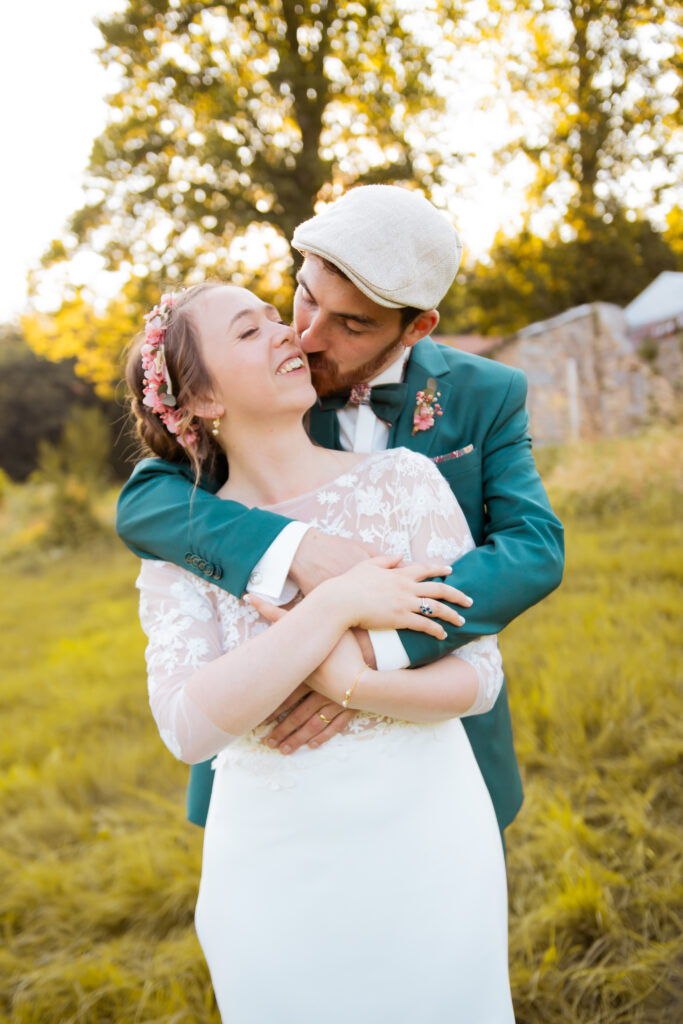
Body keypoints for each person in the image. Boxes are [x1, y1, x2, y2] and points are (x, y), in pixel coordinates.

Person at [117, 185, 564, 841]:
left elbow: (532, 550)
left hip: (433, 743)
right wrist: (293, 547)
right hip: (272, 778)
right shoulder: (261, 385)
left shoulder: (486, 393)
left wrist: (367, 658)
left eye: (352, 325)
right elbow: (144, 504)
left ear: (416, 328)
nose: (307, 335)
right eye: (304, 296)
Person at [127, 281, 515, 1020]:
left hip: (429, 834)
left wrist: (351, 683)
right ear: (201, 398)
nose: (287, 333)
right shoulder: (183, 542)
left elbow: (480, 676)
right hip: (272, 860)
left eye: (276, 317)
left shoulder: (404, 481)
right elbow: (185, 729)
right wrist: (335, 605)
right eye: (248, 331)